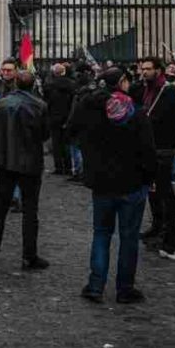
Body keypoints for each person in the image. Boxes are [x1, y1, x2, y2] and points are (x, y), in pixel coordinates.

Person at [70, 67, 155, 304]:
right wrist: (150, 178)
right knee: (128, 237)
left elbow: (72, 131)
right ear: (122, 82)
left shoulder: (89, 107)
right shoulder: (136, 113)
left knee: (101, 234)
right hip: (132, 182)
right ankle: (125, 288)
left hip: (102, 182)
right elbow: (148, 150)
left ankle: (96, 285)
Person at [0, 70, 50, 269]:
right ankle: (29, 255)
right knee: (30, 210)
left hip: (4, 160)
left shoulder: (1, 104)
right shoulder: (39, 106)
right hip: (28, 162)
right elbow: (44, 134)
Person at [131, 56, 175, 260]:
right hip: (148, 149)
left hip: (163, 149)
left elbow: (170, 117)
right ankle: (156, 226)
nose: (144, 72)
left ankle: (170, 238)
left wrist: (149, 118)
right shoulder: (143, 89)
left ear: (158, 71)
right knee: (152, 192)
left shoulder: (168, 91)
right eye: (142, 68)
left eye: (148, 69)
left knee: (165, 193)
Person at [43, 63, 77, 176]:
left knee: (56, 143)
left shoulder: (49, 85)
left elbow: (47, 101)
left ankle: (58, 167)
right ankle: (68, 167)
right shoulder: (72, 84)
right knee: (66, 143)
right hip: (67, 116)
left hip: (54, 117)